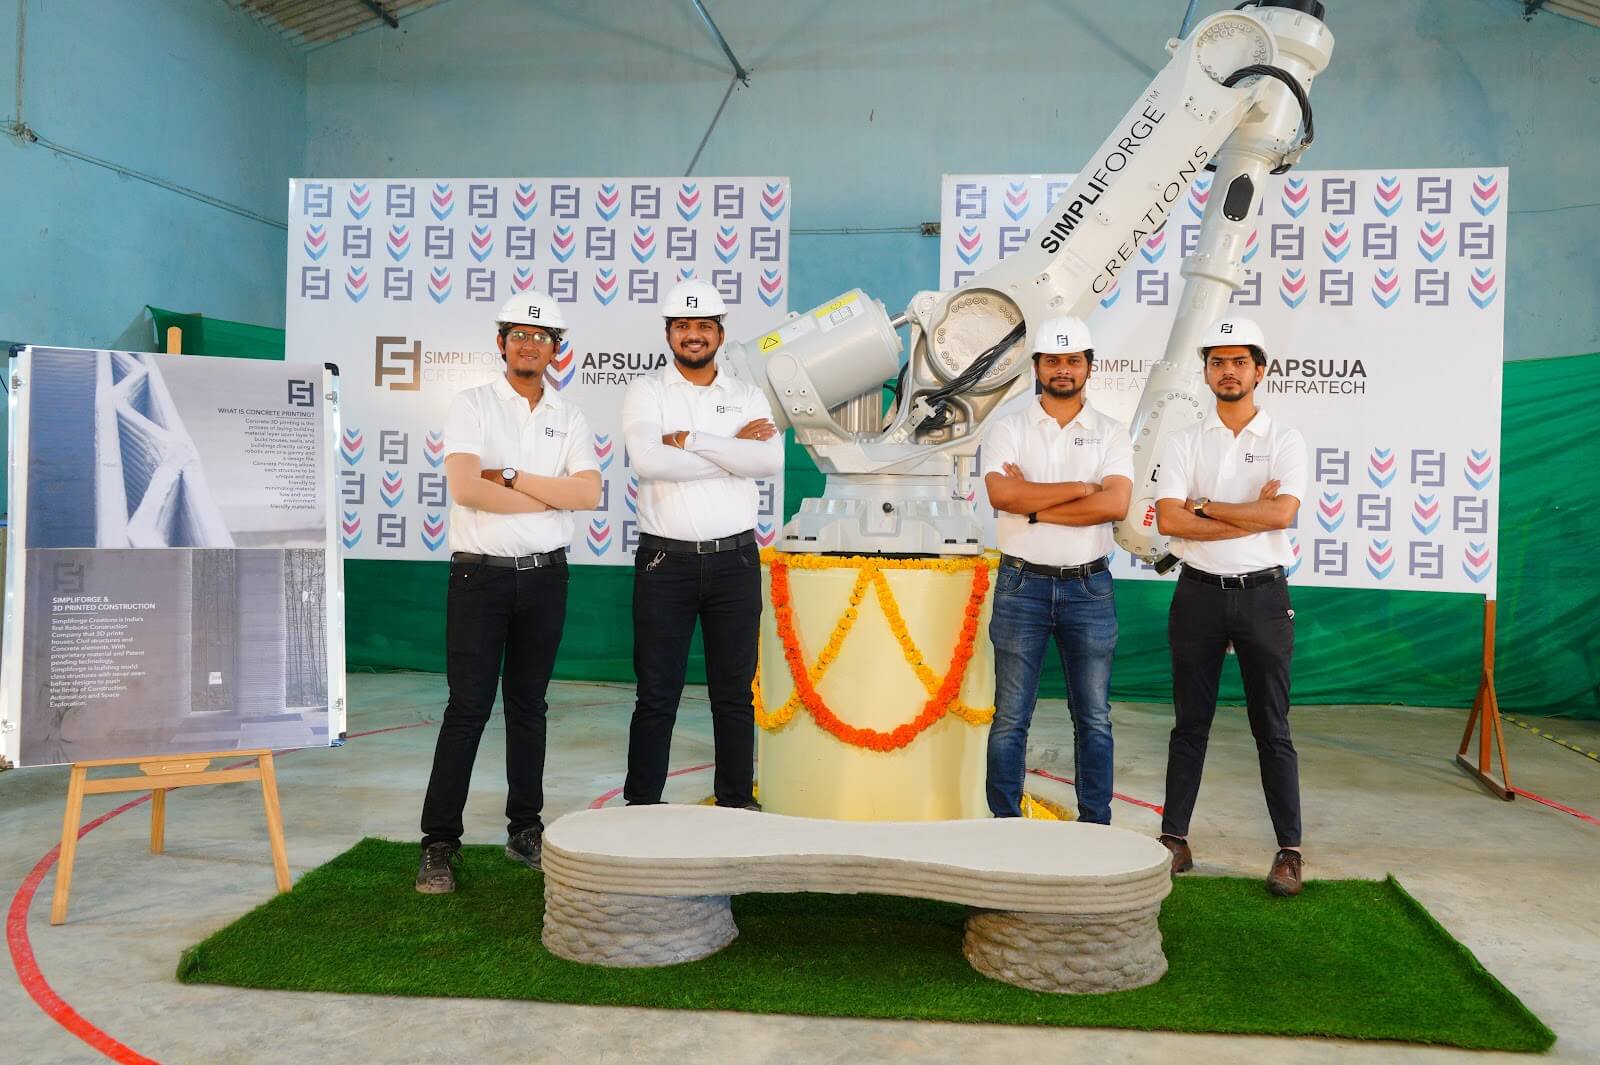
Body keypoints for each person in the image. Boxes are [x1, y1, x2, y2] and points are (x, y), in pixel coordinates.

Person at [415, 291, 602, 894]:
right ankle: (439, 842)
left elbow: (587, 494)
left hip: (546, 576)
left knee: (529, 706)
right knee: (467, 708)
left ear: (556, 350)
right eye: (519, 334)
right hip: (481, 576)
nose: (530, 344)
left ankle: (525, 829)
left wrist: (516, 479)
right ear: (501, 343)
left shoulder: (570, 415)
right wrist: (548, 498)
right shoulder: (471, 404)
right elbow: (468, 489)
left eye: (542, 337)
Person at [1153, 316, 1309, 896]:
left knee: (1272, 727)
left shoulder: (1285, 440)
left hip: (1264, 595)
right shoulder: (1184, 441)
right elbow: (1168, 521)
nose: (1228, 371)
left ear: (1259, 371)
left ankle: (1289, 852)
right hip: (1198, 593)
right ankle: (1174, 839)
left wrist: (1205, 507)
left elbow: (1281, 514)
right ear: (1206, 373)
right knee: (1189, 724)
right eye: (1217, 362)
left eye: (1239, 362)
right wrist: (1246, 514)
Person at [620, 278, 784, 809]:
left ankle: (735, 802)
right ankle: (642, 805)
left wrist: (690, 440)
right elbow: (649, 461)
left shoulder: (746, 394)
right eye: (684, 326)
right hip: (664, 562)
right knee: (656, 693)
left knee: (734, 694)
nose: (694, 335)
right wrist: (732, 452)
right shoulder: (647, 391)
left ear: (720, 333)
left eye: (704, 326)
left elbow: (768, 460)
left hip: (734, 561)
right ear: (669, 333)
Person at [982, 316, 1133, 825]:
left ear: (1089, 366)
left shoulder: (1111, 432)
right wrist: (1082, 489)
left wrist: (1033, 508)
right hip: (1021, 584)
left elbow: (1115, 505)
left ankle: (1095, 827)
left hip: (1088, 587)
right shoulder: (1008, 428)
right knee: (1010, 718)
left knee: (1094, 718)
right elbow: (1002, 494)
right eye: (1053, 361)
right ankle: (1005, 825)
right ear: (1037, 367)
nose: (1062, 369)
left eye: (1072, 360)